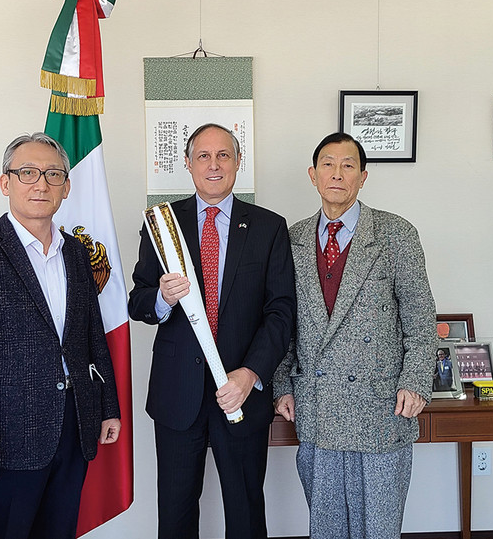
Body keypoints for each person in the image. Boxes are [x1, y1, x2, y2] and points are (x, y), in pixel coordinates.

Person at [0, 132, 121, 539]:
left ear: (67, 187)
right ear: (6, 183)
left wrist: (107, 405)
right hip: (5, 442)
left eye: (53, 174)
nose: (41, 183)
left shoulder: (76, 252)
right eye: (28, 173)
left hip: (72, 429)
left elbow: (91, 335)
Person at [129, 123, 296, 539]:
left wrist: (251, 373)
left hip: (239, 390)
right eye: (203, 156)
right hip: (176, 392)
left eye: (224, 155)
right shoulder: (162, 224)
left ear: (239, 162)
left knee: (245, 510)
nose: (214, 165)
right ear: (187, 164)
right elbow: (137, 302)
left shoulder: (269, 227)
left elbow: (281, 312)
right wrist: (162, 299)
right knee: (176, 510)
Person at [273, 132, 437, 539]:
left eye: (348, 165)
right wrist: (281, 384)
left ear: (364, 176)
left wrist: (415, 381)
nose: (337, 174)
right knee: (327, 528)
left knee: (380, 529)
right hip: (316, 405)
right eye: (328, 164)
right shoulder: (291, 239)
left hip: (382, 407)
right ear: (312, 175)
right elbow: (282, 321)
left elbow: (420, 316)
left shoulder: (396, 234)